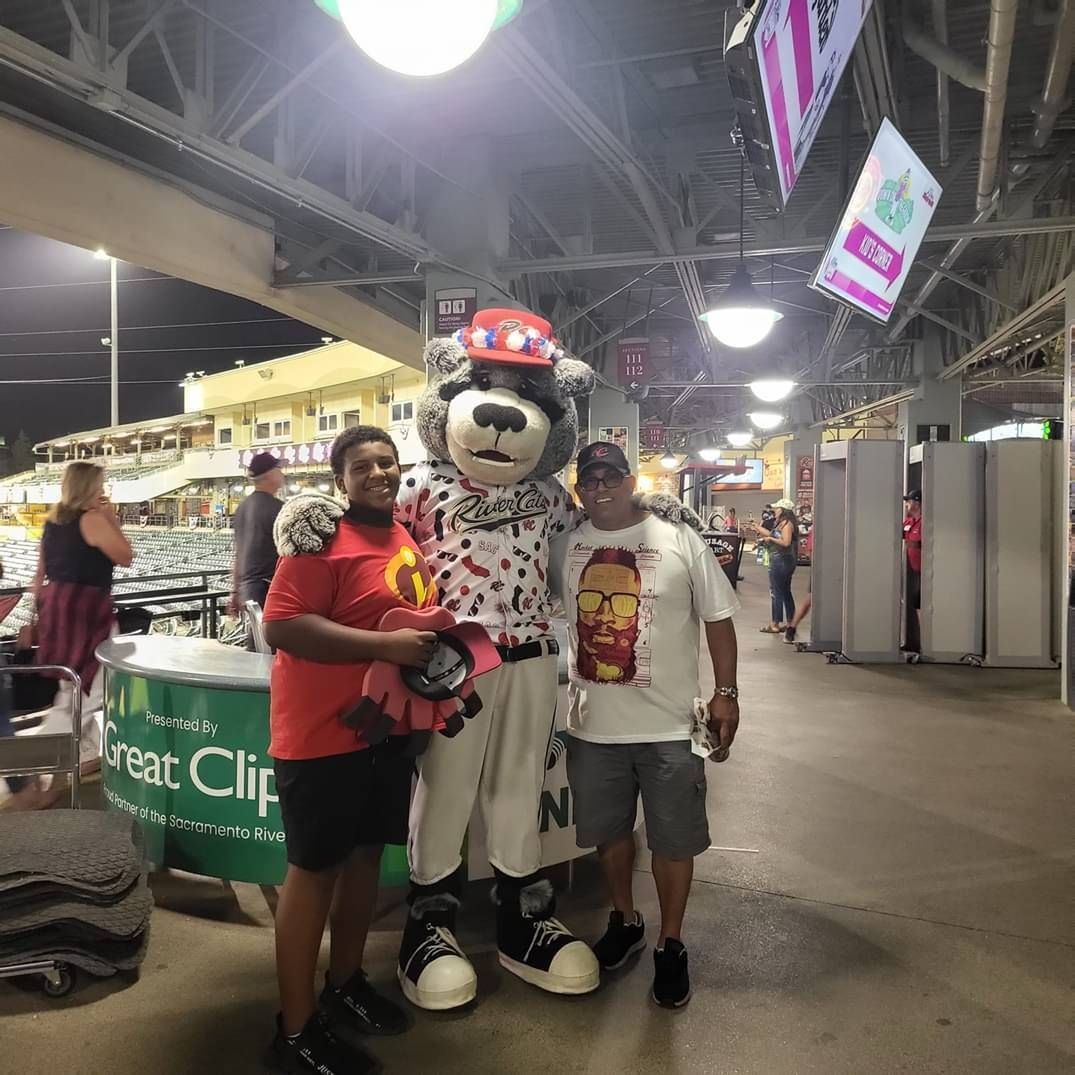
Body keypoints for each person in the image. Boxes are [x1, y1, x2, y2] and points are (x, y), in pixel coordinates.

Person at [262, 426, 440, 1075]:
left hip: (382, 729)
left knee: (365, 858)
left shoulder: (401, 535)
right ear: (340, 478)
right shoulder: (319, 539)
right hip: (320, 735)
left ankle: (344, 983)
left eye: (385, 462)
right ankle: (294, 1027)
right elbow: (281, 624)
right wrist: (383, 647)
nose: (377, 473)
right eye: (361, 465)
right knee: (314, 872)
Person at [562, 441, 740, 1009]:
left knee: (674, 840)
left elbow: (718, 620)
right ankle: (626, 920)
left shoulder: (678, 538)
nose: (601, 488)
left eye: (611, 476)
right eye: (590, 480)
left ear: (631, 480)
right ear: (579, 489)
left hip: (669, 726)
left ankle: (671, 942)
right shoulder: (566, 544)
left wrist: (726, 694)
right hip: (594, 726)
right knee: (609, 836)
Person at [30, 462, 133, 797]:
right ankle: (42, 761)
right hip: (86, 610)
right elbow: (126, 555)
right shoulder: (92, 519)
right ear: (89, 487)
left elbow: (39, 575)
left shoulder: (52, 521)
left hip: (57, 607)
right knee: (89, 690)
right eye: (101, 484)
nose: (104, 489)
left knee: (70, 686)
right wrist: (111, 518)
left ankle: (83, 754)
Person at [232, 452, 284, 624]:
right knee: (269, 639)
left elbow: (238, 555)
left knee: (256, 637)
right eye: (278, 469)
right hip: (269, 589)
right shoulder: (279, 509)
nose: (281, 473)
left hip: (248, 589)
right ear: (270, 475)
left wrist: (235, 591)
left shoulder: (242, 507)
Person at [756, 499, 798, 634]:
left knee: (776, 592)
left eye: (777, 508)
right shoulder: (782, 523)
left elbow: (786, 542)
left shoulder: (786, 524)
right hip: (784, 560)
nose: (775, 510)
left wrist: (770, 540)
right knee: (785, 591)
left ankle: (775, 624)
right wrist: (757, 527)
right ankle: (791, 622)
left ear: (783, 510)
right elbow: (771, 534)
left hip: (780, 560)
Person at [784, 526, 814, 644]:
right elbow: (809, 552)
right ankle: (791, 628)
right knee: (810, 599)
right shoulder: (817, 530)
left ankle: (792, 628)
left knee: (810, 599)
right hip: (821, 571)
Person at [902, 489, 923, 652]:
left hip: (924, 572)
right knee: (912, 606)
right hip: (911, 572)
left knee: (920, 606)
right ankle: (914, 642)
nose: (906, 505)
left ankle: (924, 643)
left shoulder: (924, 522)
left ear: (917, 503)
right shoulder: (909, 522)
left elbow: (922, 543)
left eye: (908, 501)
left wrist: (907, 543)